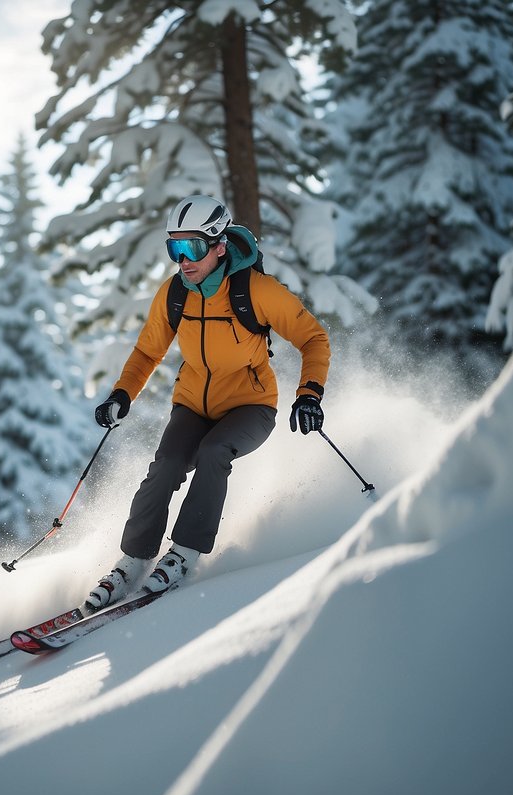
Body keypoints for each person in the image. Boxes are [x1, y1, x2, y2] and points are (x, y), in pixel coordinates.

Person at [86, 194, 330, 612]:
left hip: (251, 406)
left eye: (192, 247)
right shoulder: (174, 294)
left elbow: (314, 339)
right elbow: (148, 353)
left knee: (215, 452)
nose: (183, 260)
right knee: (165, 466)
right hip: (193, 405)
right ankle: (132, 562)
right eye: (174, 249)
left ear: (219, 245)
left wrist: (309, 393)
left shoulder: (257, 291)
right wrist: (122, 393)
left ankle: (184, 553)